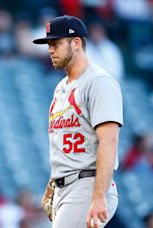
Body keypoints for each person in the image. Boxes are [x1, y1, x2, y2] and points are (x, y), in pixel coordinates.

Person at [33, 15, 123, 228]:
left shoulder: (98, 82)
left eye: (55, 43)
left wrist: (99, 196)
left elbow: (109, 141)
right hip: (66, 187)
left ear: (76, 43)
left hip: (87, 185)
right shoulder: (61, 87)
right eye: (48, 44)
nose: (50, 49)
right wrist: (53, 181)